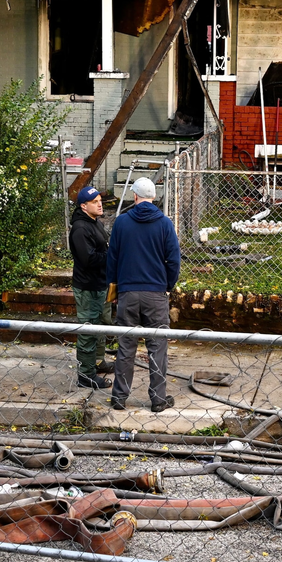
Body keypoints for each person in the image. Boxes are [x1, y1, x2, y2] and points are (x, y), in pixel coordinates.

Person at [104, 177, 180, 413]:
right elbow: (173, 260)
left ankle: (119, 397)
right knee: (157, 348)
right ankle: (158, 399)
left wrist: (115, 288)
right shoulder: (164, 223)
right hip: (155, 294)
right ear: (154, 197)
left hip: (128, 292)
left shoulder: (121, 222)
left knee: (126, 346)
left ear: (134, 196)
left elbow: (112, 258)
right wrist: (167, 285)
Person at [69, 185, 111, 390]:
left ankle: (98, 361)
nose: (100, 204)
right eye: (95, 202)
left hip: (100, 283)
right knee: (88, 330)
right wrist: (112, 257)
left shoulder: (94, 222)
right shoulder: (80, 228)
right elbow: (89, 259)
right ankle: (86, 375)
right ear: (83, 206)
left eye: (100, 201)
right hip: (88, 287)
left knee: (101, 325)